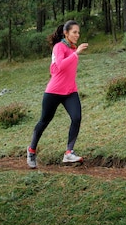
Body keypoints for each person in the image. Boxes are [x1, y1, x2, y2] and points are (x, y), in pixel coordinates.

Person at [27, 20, 88, 169]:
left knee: (76, 117)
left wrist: (75, 52)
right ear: (66, 33)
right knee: (44, 121)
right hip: (53, 91)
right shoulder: (58, 47)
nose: (77, 35)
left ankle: (69, 152)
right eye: (74, 32)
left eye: (78, 32)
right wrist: (77, 53)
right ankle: (31, 150)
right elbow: (59, 67)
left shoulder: (72, 49)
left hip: (70, 91)